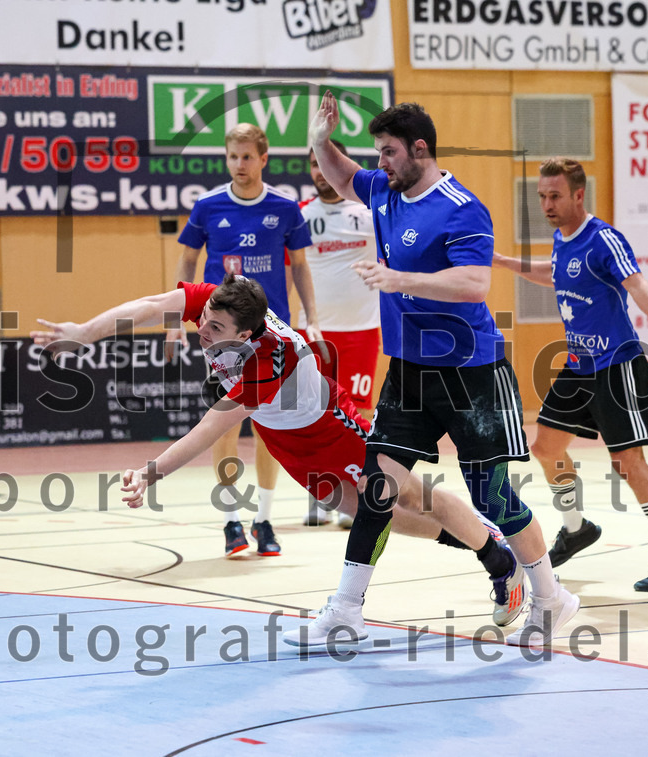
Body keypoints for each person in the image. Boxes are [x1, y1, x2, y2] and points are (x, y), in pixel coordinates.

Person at [31, 274, 529, 628]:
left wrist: (149, 473)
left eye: (215, 330)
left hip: (330, 428)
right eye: (204, 320)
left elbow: (208, 429)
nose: (202, 331)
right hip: (284, 436)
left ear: (246, 335)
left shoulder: (264, 365)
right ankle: (477, 539)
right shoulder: (221, 302)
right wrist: (84, 333)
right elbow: (150, 304)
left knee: (408, 496)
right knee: (360, 512)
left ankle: (498, 561)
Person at [290, 92, 579, 648]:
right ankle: (346, 608)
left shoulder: (461, 207)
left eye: (389, 152)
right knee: (377, 488)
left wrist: (401, 280)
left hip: (471, 372)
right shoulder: (385, 190)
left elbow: (474, 283)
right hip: (409, 372)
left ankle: (551, 597)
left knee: (493, 499)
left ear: (419, 149)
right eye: (378, 152)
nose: (380, 163)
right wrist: (319, 142)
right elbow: (344, 176)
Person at [492, 156, 648, 591]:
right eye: (542, 196)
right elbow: (556, 274)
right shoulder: (561, 238)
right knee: (546, 448)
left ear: (578, 194)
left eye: (555, 196)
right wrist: (504, 262)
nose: (547, 204)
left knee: (628, 462)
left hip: (615, 365)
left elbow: (636, 282)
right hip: (578, 365)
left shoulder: (603, 238)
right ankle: (576, 529)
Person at [169, 123, 322, 558]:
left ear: (263, 158)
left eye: (247, 157)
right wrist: (173, 319)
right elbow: (187, 260)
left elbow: (300, 266)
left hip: (273, 335)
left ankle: (264, 519)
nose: (239, 164)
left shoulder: (285, 208)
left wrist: (312, 318)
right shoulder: (208, 205)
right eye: (233, 156)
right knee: (225, 423)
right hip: (221, 336)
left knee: (270, 427)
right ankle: (230, 520)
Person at [295, 140, 382, 529]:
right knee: (313, 413)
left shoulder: (370, 211)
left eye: (324, 163)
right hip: (314, 331)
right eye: (313, 164)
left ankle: (355, 494)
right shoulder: (300, 214)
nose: (319, 171)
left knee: (358, 414)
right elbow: (290, 270)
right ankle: (320, 493)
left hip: (362, 329)